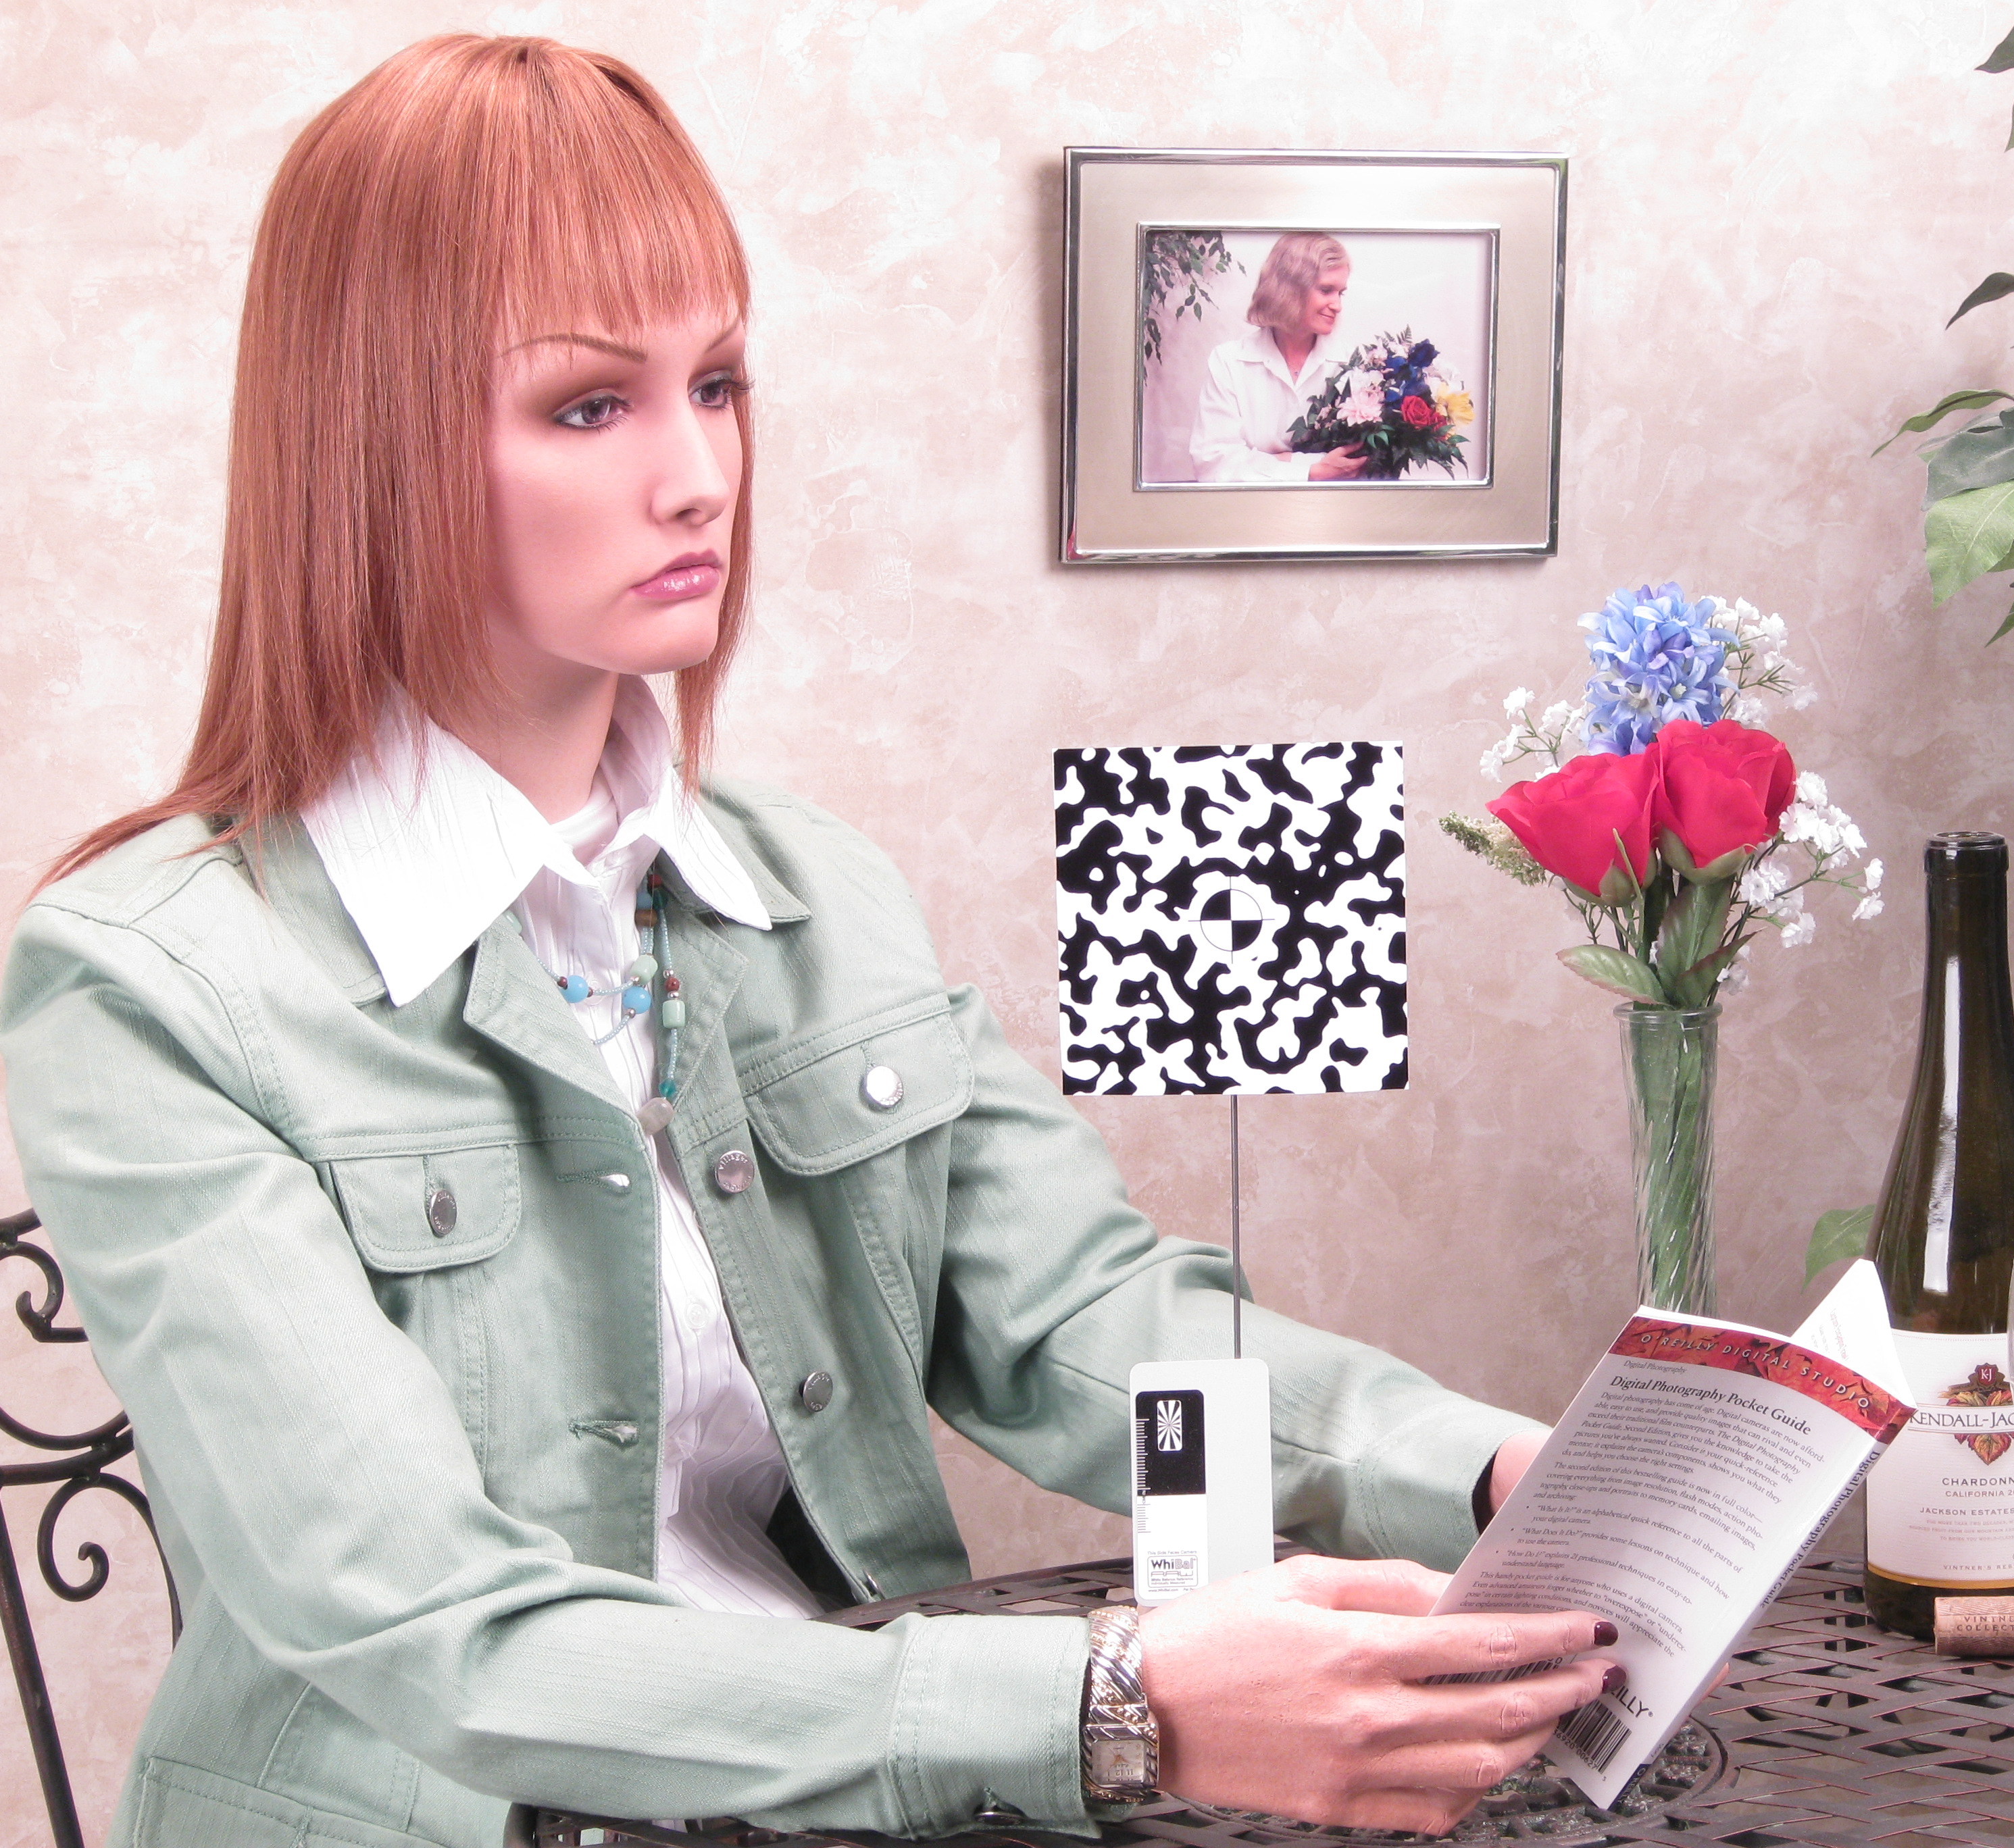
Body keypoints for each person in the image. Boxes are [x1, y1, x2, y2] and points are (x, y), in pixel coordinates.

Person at [0, 36, 1613, 1848]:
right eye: (590, 407)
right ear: (370, 443)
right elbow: (425, 1623)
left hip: (851, 1795)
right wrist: (1114, 1705)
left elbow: (1084, 1316)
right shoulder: (145, 986)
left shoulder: (810, 888)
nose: (700, 475)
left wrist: (1488, 1469)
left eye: (718, 384)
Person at [1187, 232, 1369, 483]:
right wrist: (1310, 470)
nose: (1337, 305)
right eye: (1326, 290)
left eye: (1341, 293)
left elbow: (1360, 461)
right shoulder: (1230, 362)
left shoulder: (1353, 363)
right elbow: (1213, 464)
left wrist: (1274, 461)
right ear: (1289, 289)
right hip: (1247, 506)